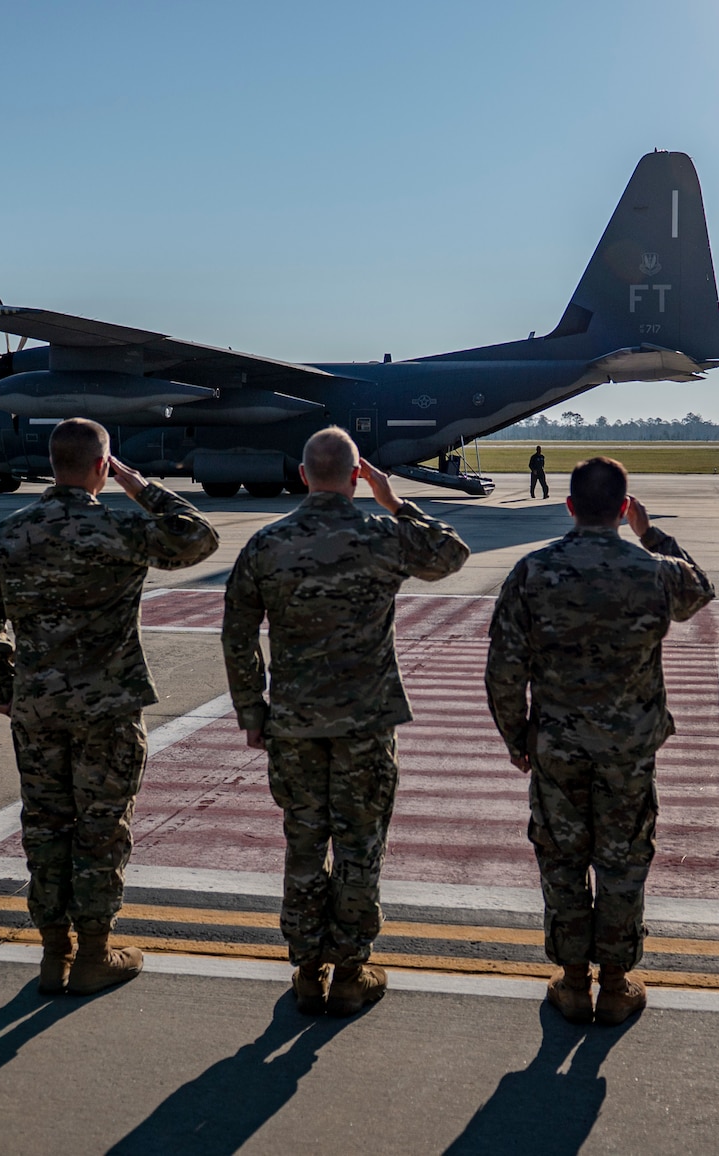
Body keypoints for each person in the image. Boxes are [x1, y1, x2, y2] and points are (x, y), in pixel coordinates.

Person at [0, 419, 219, 995]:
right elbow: (198, 536)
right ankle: (95, 953)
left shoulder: (13, 533)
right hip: (108, 707)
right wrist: (139, 485)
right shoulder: (120, 528)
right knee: (102, 827)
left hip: (38, 709)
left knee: (46, 826)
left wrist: (8, 687)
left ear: (53, 465)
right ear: (102, 465)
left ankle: (55, 952)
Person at [222, 427, 470, 1016]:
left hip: (294, 724)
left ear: (304, 475)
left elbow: (237, 634)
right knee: (360, 846)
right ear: (357, 476)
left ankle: (308, 969)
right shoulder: (382, 536)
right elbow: (451, 553)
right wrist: (395, 502)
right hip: (364, 721)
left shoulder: (267, 543)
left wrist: (252, 711)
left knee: (304, 842)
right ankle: (352, 972)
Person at [485, 457, 714, 1026]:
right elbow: (702, 589)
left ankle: (571, 980)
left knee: (562, 860)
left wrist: (518, 738)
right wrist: (650, 532)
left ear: (568, 507)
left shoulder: (533, 572)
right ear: (622, 508)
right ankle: (614, 982)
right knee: (623, 860)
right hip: (628, 750)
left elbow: (504, 669)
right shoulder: (655, 570)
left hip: (557, 746)